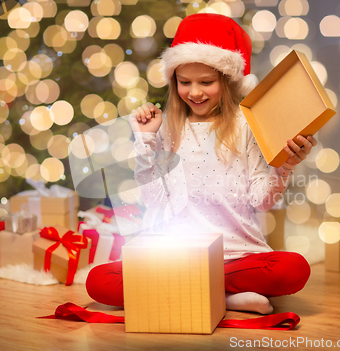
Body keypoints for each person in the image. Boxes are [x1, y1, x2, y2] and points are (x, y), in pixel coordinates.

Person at [86, 13, 316, 315]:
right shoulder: (165, 127)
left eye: (206, 82)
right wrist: (145, 142)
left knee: (292, 268)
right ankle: (224, 298)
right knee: (98, 281)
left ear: (227, 80)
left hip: (234, 254)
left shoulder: (246, 126)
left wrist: (284, 166)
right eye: (185, 82)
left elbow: (261, 202)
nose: (194, 92)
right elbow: (152, 199)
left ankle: (189, 292)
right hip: (176, 256)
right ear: (174, 81)